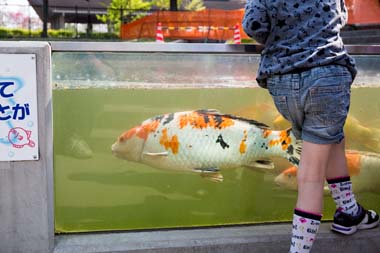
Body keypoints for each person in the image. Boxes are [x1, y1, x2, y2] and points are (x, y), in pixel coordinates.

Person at [242, 0, 379, 252]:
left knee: (330, 138)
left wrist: (283, 35)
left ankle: (349, 212)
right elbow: (341, 18)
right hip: (327, 77)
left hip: (282, 81)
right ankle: (300, 249)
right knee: (311, 176)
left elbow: (254, 25)